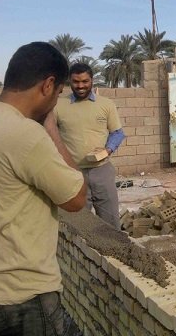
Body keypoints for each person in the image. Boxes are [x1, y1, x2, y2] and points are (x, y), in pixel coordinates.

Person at [0, 42, 87, 336]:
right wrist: (50, 128)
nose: (56, 103)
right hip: (21, 299)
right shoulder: (26, 134)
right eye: (59, 93)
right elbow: (76, 198)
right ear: (48, 85)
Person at [53, 62, 125, 228]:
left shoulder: (106, 105)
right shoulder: (58, 106)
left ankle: (112, 252)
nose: (80, 86)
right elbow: (50, 135)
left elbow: (117, 133)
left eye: (85, 81)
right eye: (76, 82)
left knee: (111, 223)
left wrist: (107, 149)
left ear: (92, 81)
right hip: (73, 173)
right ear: (69, 82)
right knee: (78, 225)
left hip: (102, 171)